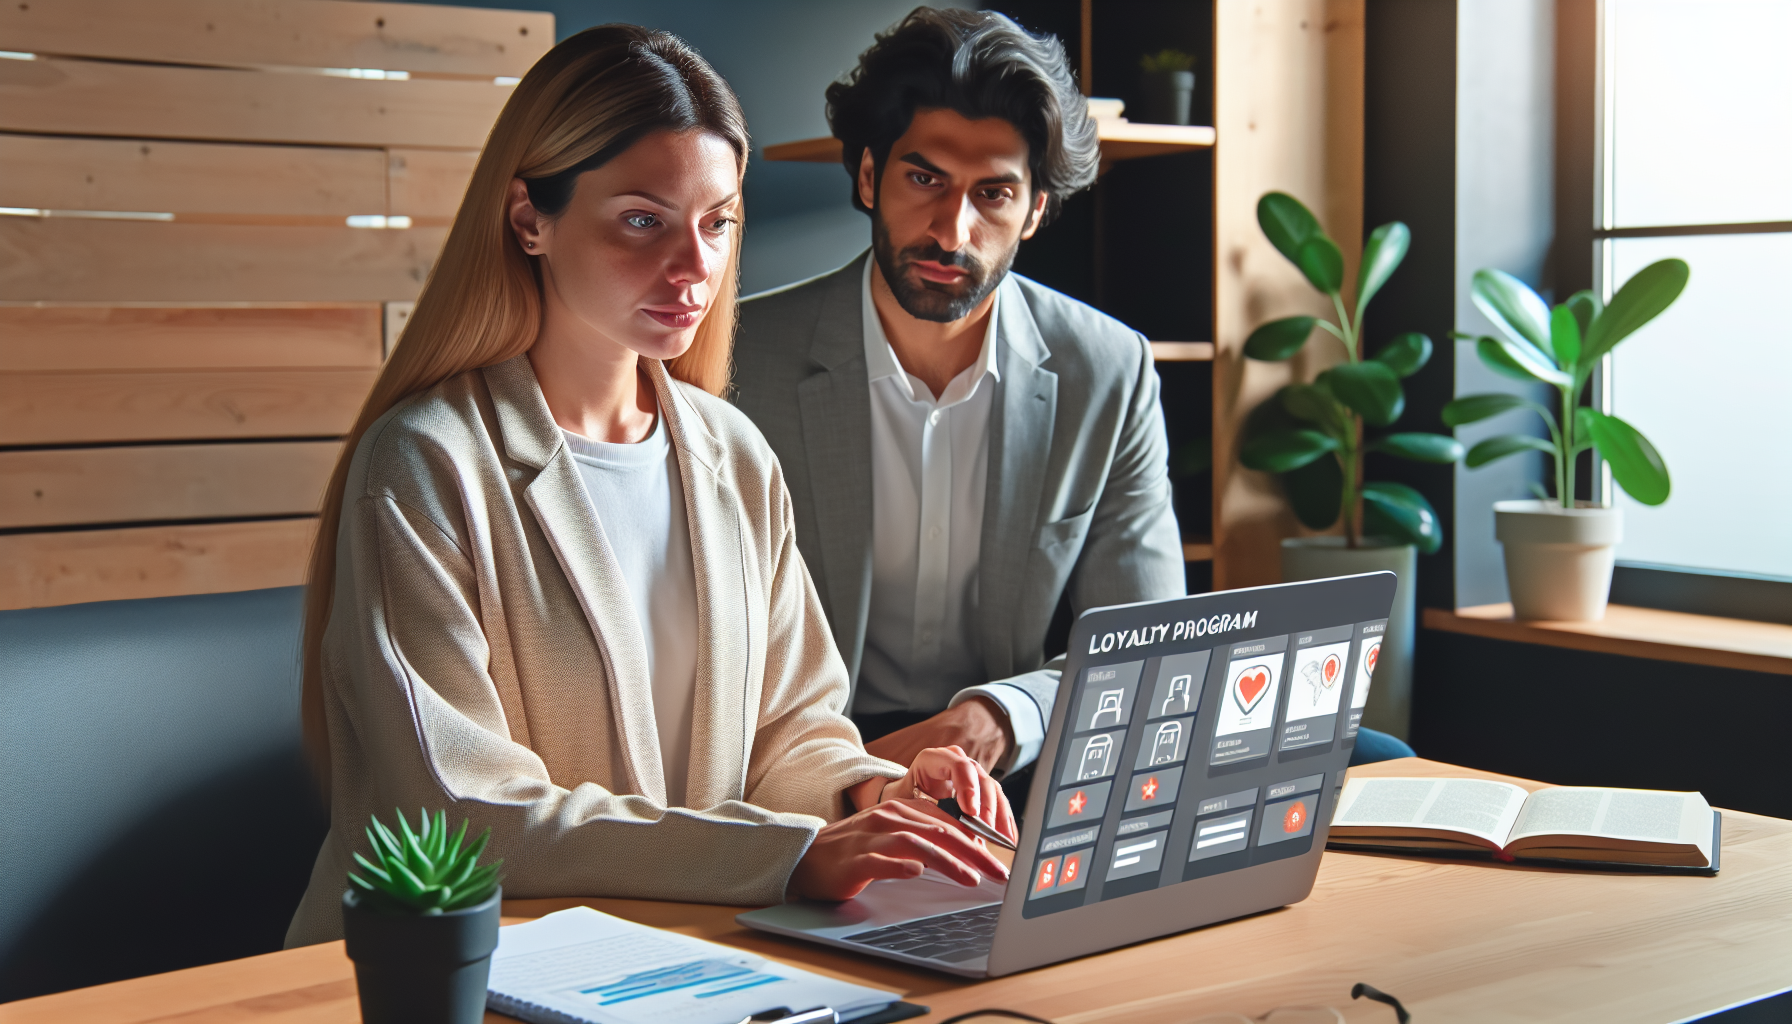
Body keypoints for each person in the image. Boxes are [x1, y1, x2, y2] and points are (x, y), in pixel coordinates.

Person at [285, 25, 1014, 948]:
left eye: (717, 223)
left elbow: (790, 730)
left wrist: (871, 794)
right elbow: (460, 811)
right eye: (643, 219)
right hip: (447, 977)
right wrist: (789, 856)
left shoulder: (734, 455)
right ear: (529, 219)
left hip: (680, 959)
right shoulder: (424, 464)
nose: (695, 268)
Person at [731, 8, 1186, 781]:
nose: (952, 231)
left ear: (1035, 211)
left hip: (1013, 742)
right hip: (812, 751)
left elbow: (1146, 648)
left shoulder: (1108, 370)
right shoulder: (742, 361)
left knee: (1368, 757)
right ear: (869, 176)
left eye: (995, 195)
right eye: (925, 179)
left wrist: (1003, 717)